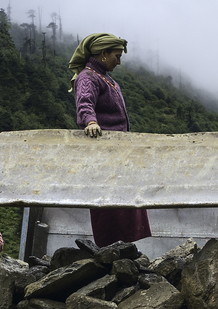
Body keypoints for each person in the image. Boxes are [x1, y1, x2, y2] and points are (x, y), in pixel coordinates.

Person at [68, 32, 151, 247]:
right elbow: (85, 103)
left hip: (117, 152)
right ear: (103, 54)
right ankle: (110, 250)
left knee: (122, 199)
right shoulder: (88, 77)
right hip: (103, 153)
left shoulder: (106, 78)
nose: (119, 61)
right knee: (108, 201)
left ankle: (122, 251)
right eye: (116, 56)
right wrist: (90, 123)